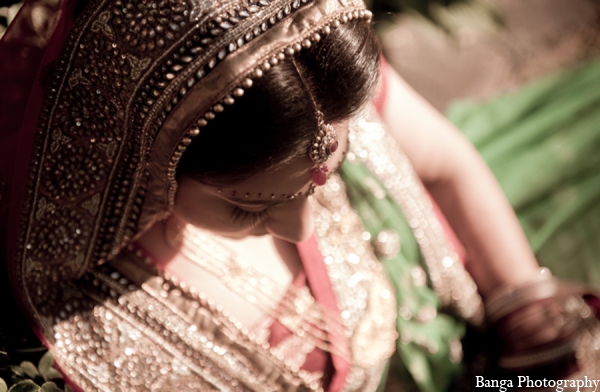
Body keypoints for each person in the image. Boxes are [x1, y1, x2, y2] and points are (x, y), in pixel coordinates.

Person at [0, 0, 599, 390]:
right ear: (131, 159)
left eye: (330, 175)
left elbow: (445, 164)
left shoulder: (307, 84)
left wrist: (525, 304)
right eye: (250, 205)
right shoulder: (84, 308)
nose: (301, 228)